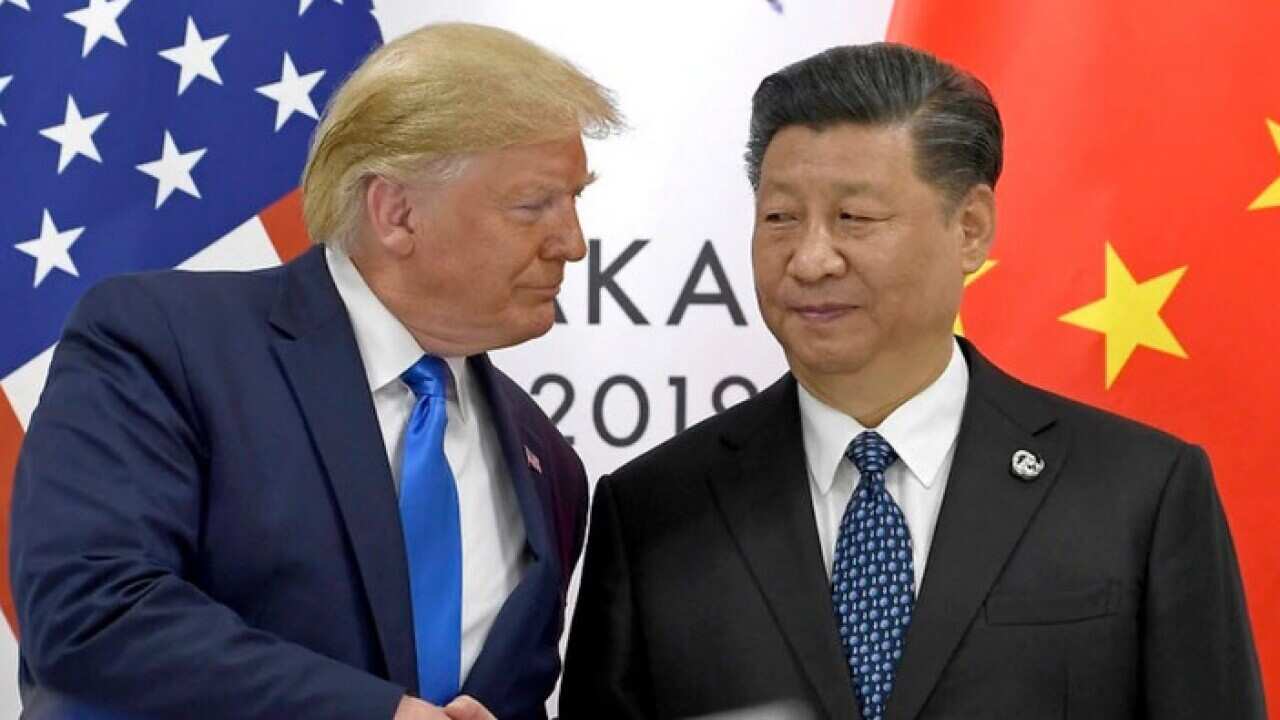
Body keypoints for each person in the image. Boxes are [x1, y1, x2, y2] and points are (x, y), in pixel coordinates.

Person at [560, 42, 1264, 719]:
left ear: (971, 228)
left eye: (853, 218)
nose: (809, 260)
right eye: (780, 218)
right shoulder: (654, 511)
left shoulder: (1140, 492)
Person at [12, 22, 620, 720]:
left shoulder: (548, 462)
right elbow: (90, 612)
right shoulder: (164, 346)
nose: (572, 244)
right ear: (396, 213)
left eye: (576, 200)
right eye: (533, 205)